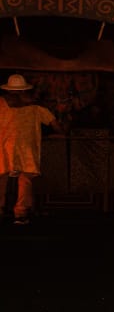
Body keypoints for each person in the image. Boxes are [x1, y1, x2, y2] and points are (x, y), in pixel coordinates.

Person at [0, 74, 56, 225]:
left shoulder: (0, 103)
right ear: (24, 89)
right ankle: (20, 214)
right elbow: (55, 124)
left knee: (1, 179)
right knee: (25, 180)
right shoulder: (35, 106)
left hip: (3, 148)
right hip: (27, 148)